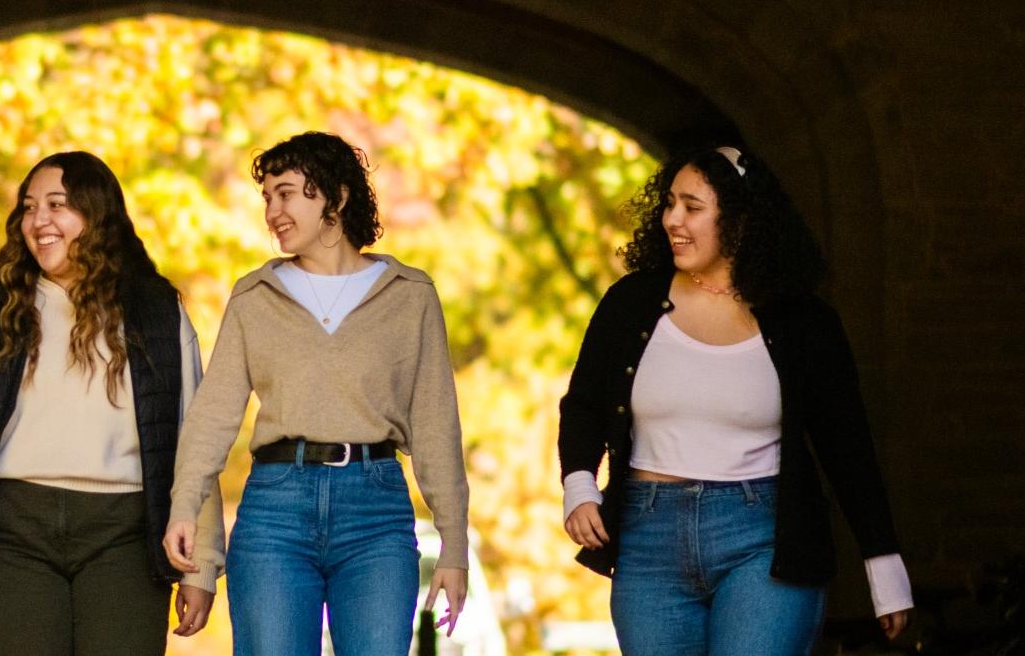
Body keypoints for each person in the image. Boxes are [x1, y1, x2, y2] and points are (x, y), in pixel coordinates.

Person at [558, 146, 914, 654]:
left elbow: (847, 445)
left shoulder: (802, 321)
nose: (672, 220)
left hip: (765, 539)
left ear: (742, 219)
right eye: (669, 204)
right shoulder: (631, 302)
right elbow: (584, 403)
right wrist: (578, 484)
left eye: (692, 207)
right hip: (648, 539)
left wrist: (883, 563)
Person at [0, 151, 225, 655]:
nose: (38, 221)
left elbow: (191, 441)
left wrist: (203, 560)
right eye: (29, 207)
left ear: (96, 216)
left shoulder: (156, 311)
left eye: (57, 205)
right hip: (10, 536)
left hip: (127, 537)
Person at [164, 132, 470, 655]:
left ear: (337, 197)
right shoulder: (254, 296)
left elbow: (437, 426)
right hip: (274, 510)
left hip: (376, 514)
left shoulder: (410, 295)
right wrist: (184, 507)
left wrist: (454, 547)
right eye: (266, 198)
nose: (272, 211)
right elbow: (213, 416)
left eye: (285, 194)